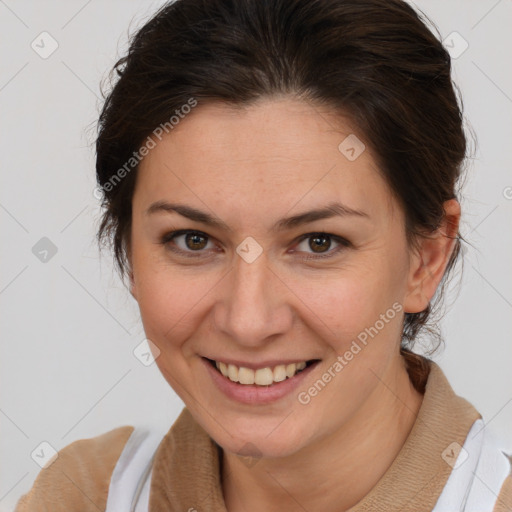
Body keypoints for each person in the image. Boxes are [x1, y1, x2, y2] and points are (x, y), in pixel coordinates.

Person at [15, 0, 512, 510]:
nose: (248, 322)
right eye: (193, 240)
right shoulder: (82, 496)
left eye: (320, 242)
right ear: (128, 250)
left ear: (426, 258)